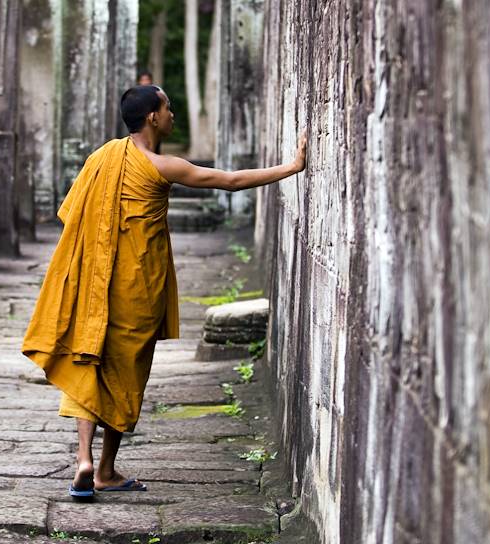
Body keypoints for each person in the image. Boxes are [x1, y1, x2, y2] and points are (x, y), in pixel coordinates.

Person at [22, 85, 307, 501]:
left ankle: (83, 458)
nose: (173, 113)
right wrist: (292, 167)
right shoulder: (164, 166)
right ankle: (105, 469)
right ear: (152, 117)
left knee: (89, 360)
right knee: (124, 372)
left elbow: (73, 216)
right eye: (168, 106)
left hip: (97, 281)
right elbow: (229, 181)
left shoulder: (101, 159)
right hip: (139, 286)